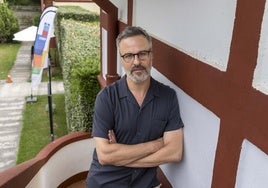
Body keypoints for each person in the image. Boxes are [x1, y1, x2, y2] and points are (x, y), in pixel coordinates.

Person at [86, 26, 184, 188]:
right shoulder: (107, 98)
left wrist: (120, 156)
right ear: (122, 59)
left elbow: (174, 152)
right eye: (129, 56)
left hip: (145, 184)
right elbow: (104, 155)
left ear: (151, 56)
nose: (137, 62)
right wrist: (156, 145)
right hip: (105, 182)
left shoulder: (168, 97)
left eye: (142, 54)